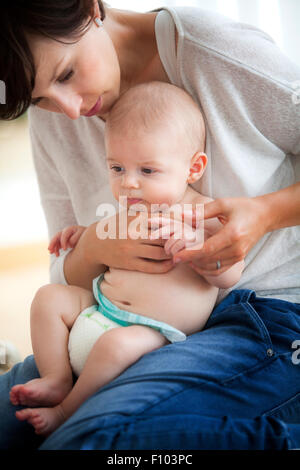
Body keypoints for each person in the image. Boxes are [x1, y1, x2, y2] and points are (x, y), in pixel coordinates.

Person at [0, 0, 299, 450]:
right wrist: (91, 249)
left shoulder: (214, 52)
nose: (69, 109)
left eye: (65, 74)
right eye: (40, 98)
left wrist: (265, 215)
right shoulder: (54, 119)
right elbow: (64, 270)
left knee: (94, 441)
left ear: (90, 8)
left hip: (269, 317)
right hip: (108, 316)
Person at [9, 82, 245, 436]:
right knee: (49, 297)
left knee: (114, 345)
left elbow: (231, 274)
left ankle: (66, 409)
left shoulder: (201, 214)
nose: (128, 185)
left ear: (193, 168)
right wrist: (83, 235)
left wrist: (200, 248)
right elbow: (104, 238)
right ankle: (56, 377)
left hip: (154, 333)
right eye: (117, 168)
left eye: (147, 171)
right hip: (100, 308)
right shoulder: (128, 208)